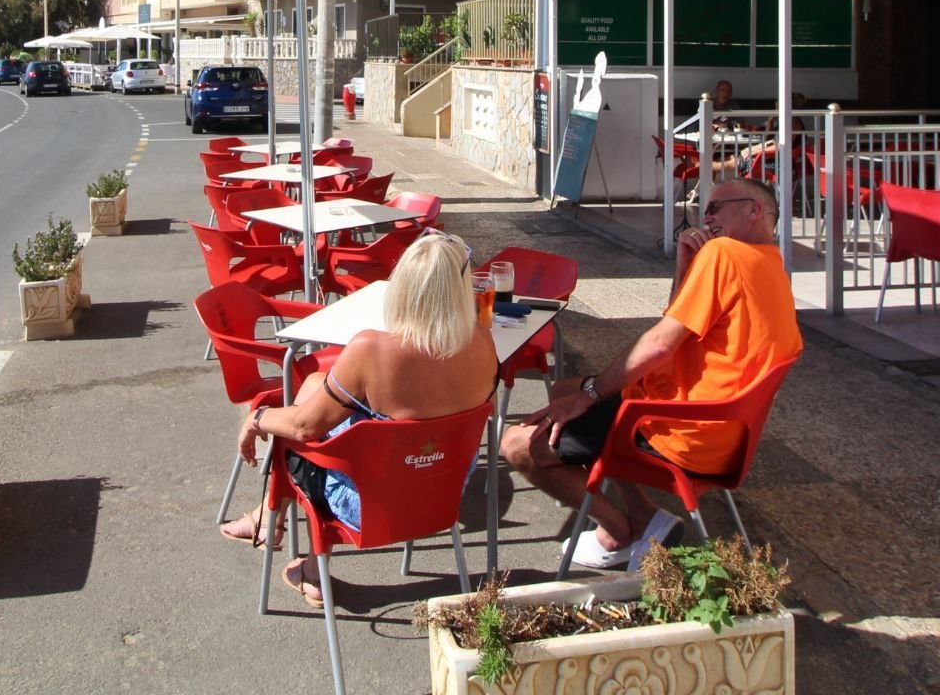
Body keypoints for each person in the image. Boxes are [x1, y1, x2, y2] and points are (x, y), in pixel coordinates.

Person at [501, 177, 802, 570]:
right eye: (702, 208)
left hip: (678, 432)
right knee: (563, 388)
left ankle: (617, 529)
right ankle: (644, 513)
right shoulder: (769, 264)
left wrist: (590, 395)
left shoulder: (726, 254)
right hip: (724, 436)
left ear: (754, 210)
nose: (705, 216)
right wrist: (684, 268)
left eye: (715, 207)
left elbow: (661, 343)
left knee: (518, 445)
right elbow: (680, 323)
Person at [223, 231, 499, 606]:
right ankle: (265, 521)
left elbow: (306, 427)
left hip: (370, 505)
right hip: (441, 493)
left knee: (297, 432)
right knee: (320, 391)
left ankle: (291, 546)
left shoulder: (370, 349)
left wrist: (257, 418)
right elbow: (488, 409)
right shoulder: (484, 342)